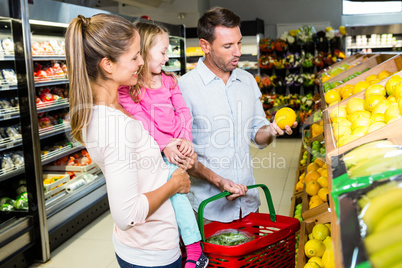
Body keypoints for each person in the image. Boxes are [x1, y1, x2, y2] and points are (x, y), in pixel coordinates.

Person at [65, 13, 192, 268]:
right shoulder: (115, 126)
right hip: (150, 254)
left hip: (143, 244)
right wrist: (174, 184)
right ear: (108, 65)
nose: (141, 62)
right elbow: (127, 215)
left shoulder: (111, 109)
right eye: (134, 57)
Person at [179, 7, 297, 223]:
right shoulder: (185, 88)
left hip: (249, 201)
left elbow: (257, 134)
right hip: (209, 209)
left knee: (254, 257)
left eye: (239, 42)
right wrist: (220, 182)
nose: (238, 52)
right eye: (228, 46)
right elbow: (183, 157)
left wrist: (271, 130)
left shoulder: (247, 81)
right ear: (205, 46)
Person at [117, 21, 208, 268]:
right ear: (144, 52)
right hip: (155, 154)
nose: (167, 58)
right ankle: (194, 248)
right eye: (163, 52)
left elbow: (183, 111)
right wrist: (166, 145)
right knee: (177, 196)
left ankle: (188, 244)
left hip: (174, 148)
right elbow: (142, 122)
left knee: (178, 198)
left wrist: (185, 139)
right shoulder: (128, 90)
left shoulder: (169, 81)